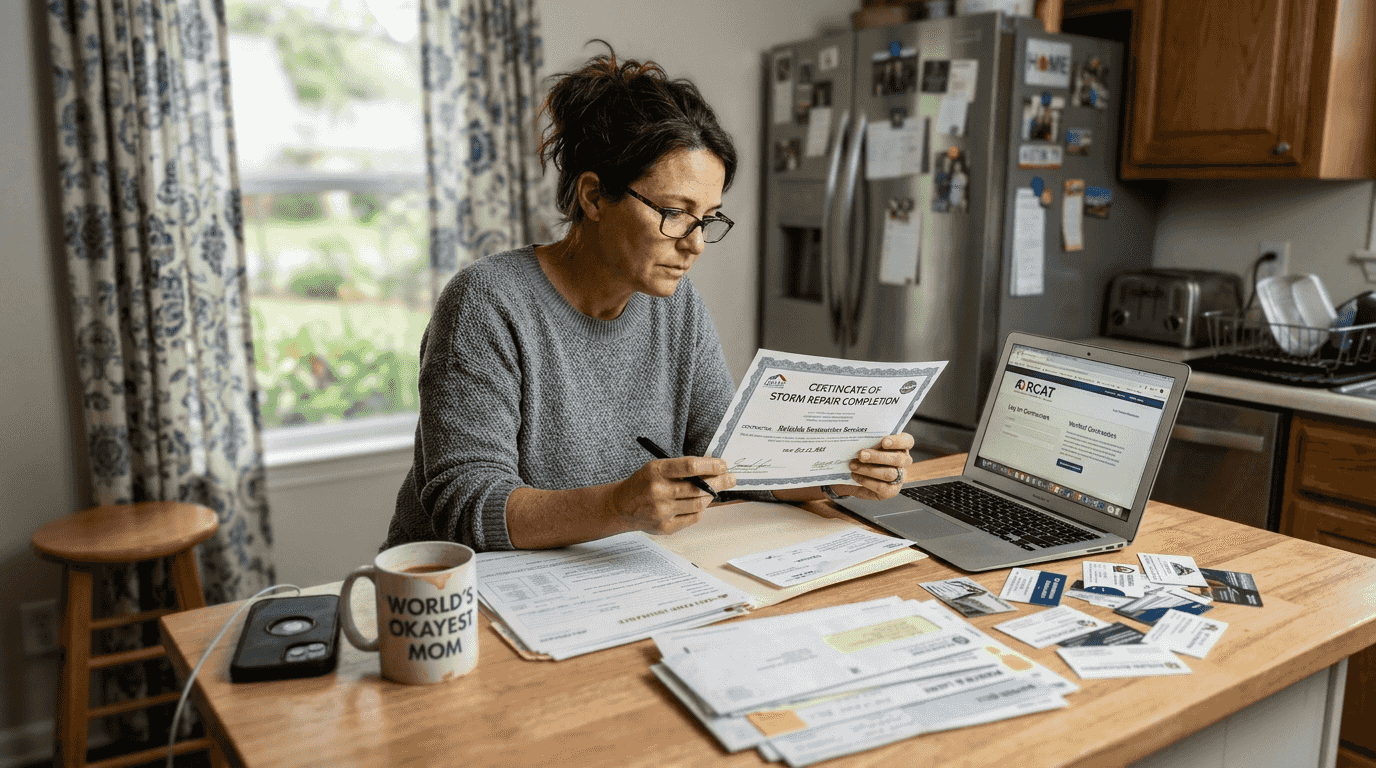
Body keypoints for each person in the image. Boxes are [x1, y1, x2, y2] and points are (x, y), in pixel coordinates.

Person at [385, 45, 915, 552]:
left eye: (707, 218)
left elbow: (725, 465)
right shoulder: (487, 303)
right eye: (675, 213)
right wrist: (619, 505)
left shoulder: (674, 304)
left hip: (602, 578)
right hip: (456, 599)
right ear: (594, 196)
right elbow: (465, 503)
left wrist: (836, 475)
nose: (696, 243)